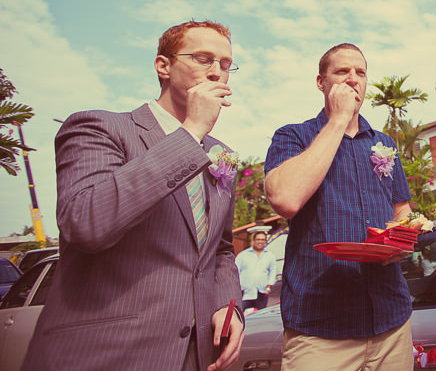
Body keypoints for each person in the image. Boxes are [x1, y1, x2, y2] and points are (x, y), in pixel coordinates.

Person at [23, 20, 244, 371]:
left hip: (197, 356)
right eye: (203, 58)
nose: (217, 73)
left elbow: (220, 248)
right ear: (163, 66)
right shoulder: (99, 128)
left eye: (226, 64)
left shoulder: (221, 154)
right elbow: (86, 224)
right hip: (106, 355)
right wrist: (191, 133)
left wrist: (226, 305)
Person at [264, 43, 414, 371]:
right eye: (342, 72)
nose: (352, 80)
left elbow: (401, 208)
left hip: (390, 319)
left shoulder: (384, 143)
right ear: (321, 82)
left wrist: (401, 237)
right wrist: (340, 118)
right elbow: (286, 200)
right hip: (320, 327)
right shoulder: (293, 136)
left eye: (360, 72)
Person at [236, 228, 278, 312]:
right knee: (241, 316)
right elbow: (235, 271)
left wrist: (269, 286)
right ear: (253, 240)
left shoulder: (270, 256)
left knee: (259, 318)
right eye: (258, 239)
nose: (260, 242)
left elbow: (273, 272)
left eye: (263, 239)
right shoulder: (243, 255)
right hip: (245, 292)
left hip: (262, 292)